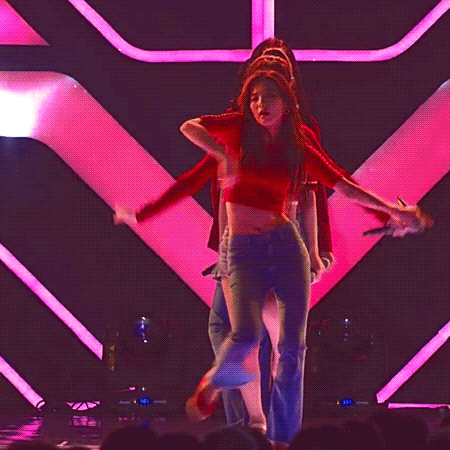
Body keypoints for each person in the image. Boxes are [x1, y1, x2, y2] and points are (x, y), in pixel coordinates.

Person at [180, 69, 432, 447]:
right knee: (245, 337)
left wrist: (391, 212)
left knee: (291, 349)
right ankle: (222, 387)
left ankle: (282, 438)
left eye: (269, 97)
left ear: (287, 104)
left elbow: (343, 184)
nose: (261, 104)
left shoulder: (298, 147)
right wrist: (221, 154)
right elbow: (190, 126)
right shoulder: (236, 131)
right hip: (244, 251)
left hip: (285, 247)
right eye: (254, 98)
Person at [115, 43, 355, 432]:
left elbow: (316, 190)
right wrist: (144, 213)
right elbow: (193, 177)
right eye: (262, 72)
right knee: (244, 335)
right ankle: (255, 423)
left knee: (264, 339)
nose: (264, 96)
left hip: (277, 241)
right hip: (240, 244)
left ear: (287, 86)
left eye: (277, 71)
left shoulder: (297, 134)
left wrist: (315, 251)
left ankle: (261, 425)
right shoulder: (236, 131)